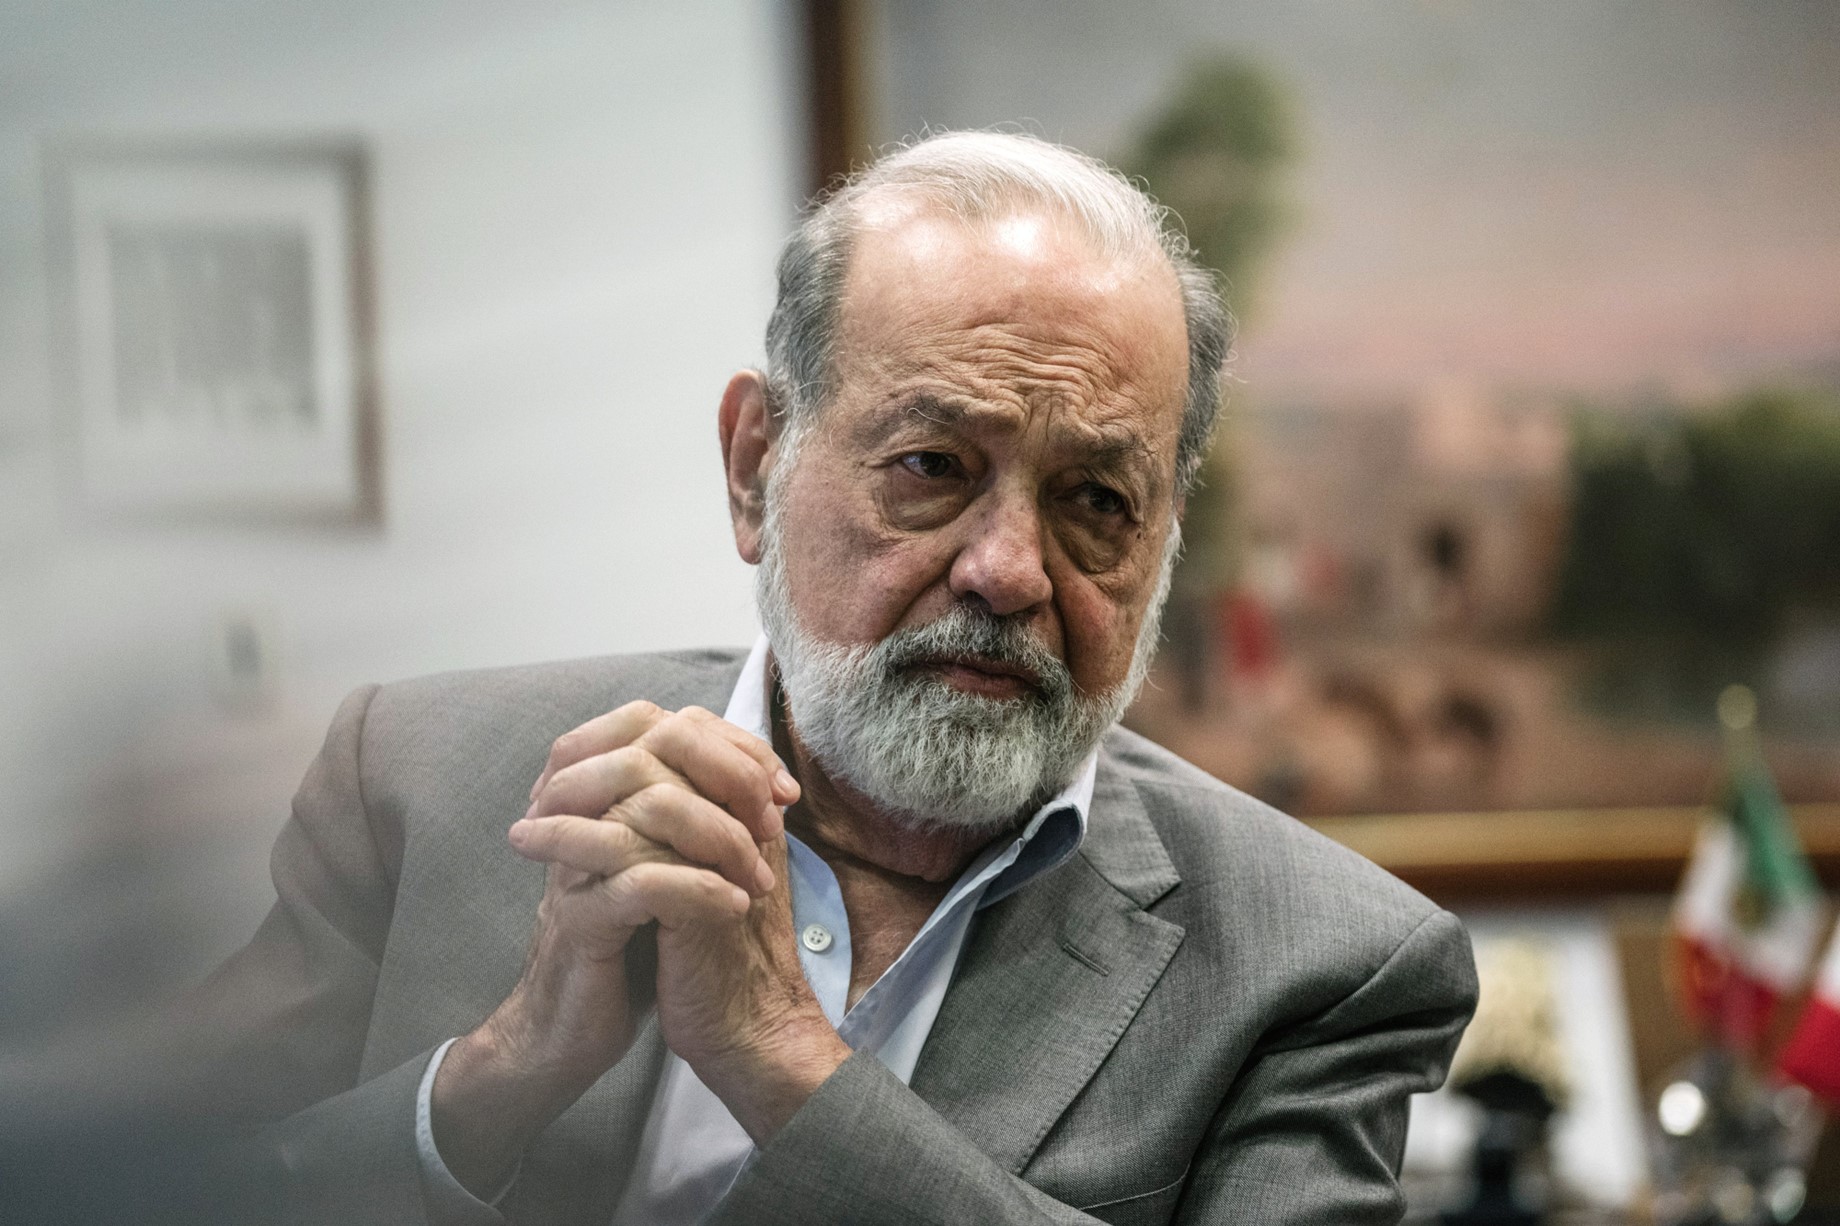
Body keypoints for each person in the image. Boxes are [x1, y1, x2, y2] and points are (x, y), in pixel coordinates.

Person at [170, 131, 1475, 1224]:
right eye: (931, 466)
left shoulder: (1319, 965)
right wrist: (502, 1071)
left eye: (1094, 499)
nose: (1008, 570)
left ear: (1164, 541)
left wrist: (789, 1066)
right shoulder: (418, 783)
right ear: (755, 468)